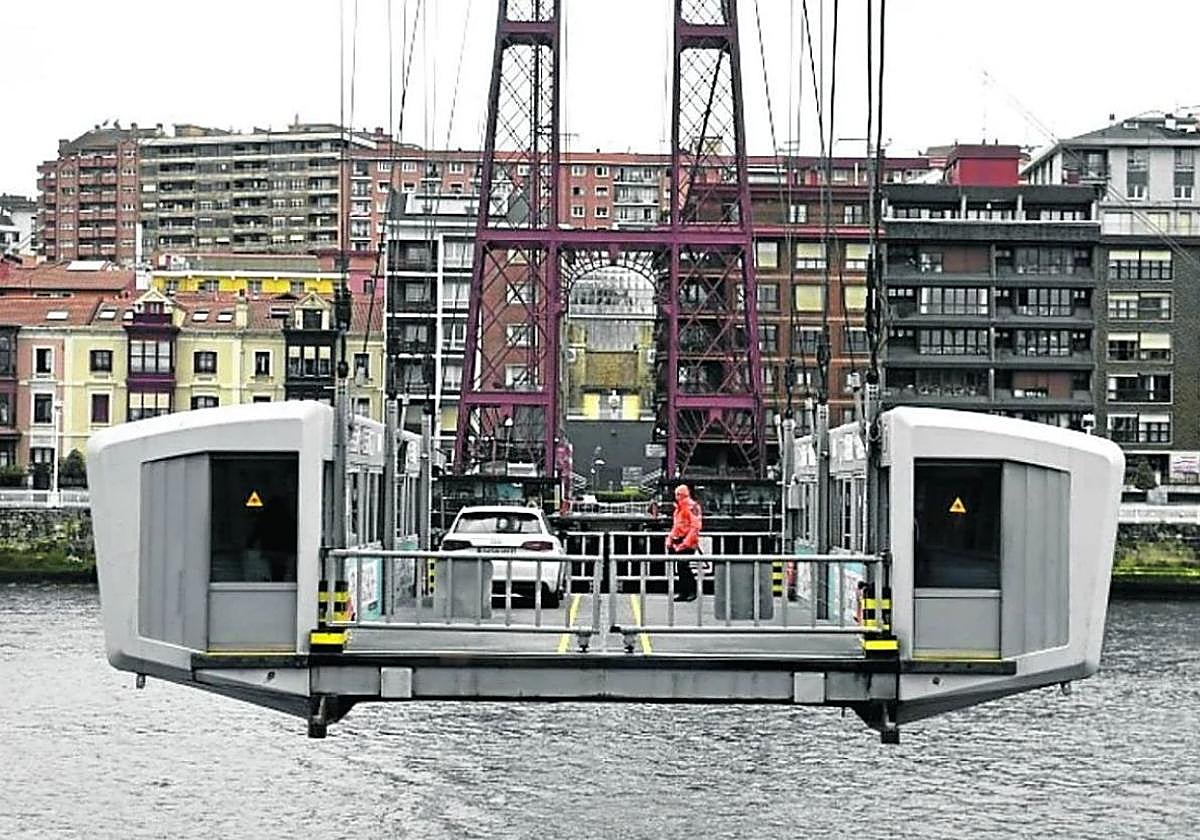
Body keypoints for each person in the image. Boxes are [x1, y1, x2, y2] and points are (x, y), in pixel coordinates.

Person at [667, 484, 702, 602]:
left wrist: (685, 543)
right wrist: (670, 538)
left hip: (688, 541)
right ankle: (684, 592)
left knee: (683, 567)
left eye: (678, 494)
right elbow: (676, 526)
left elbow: (695, 527)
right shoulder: (679, 509)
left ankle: (691, 591)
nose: (677, 497)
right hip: (680, 540)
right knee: (681, 568)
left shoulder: (691, 507)